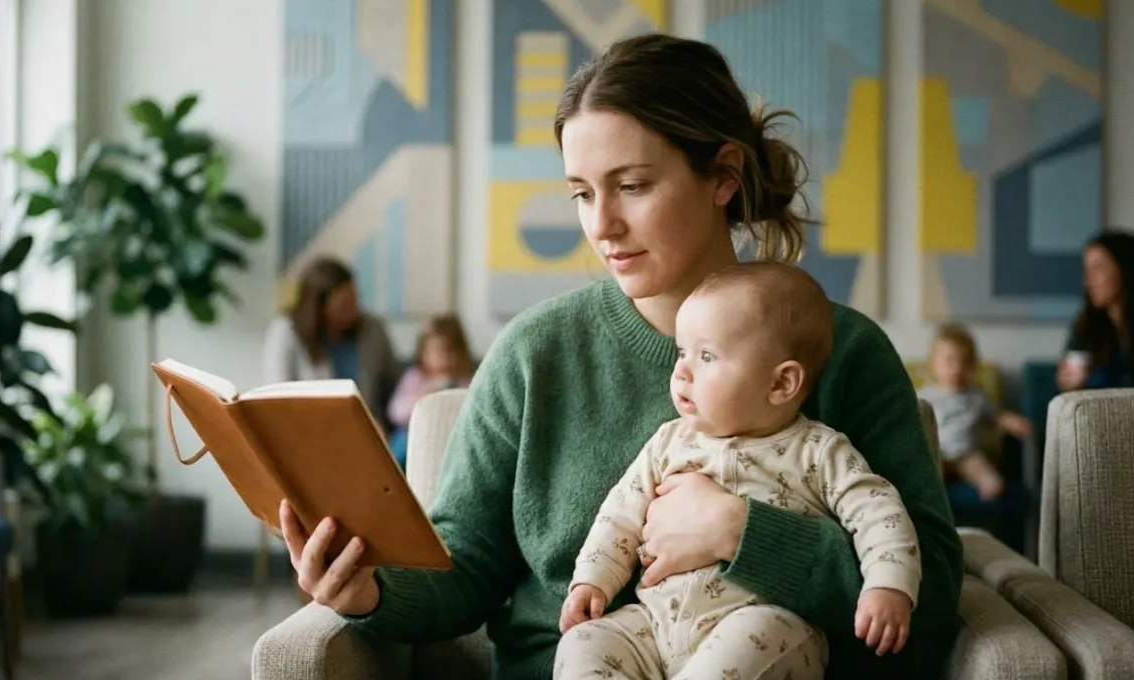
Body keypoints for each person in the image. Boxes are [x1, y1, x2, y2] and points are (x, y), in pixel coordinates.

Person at [278, 34, 962, 679]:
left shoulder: (843, 355)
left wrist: (739, 531)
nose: (600, 225)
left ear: (724, 175)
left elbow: (927, 601)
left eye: (632, 185)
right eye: (581, 192)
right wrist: (370, 591)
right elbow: (464, 570)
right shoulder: (533, 353)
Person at [557, 263, 921, 679]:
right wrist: (591, 581)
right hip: (654, 625)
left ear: (781, 384)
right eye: (682, 352)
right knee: (585, 643)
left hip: (764, 626)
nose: (681, 371)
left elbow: (880, 514)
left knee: (762, 636)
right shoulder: (668, 442)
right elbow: (619, 515)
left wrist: (887, 585)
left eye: (706, 356)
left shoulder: (819, 451)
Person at [261, 257, 401, 425]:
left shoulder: (373, 330)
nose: (354, 310)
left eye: (355, 300)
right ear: (319, 307)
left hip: (368, 429)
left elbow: (395, 387)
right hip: (308, 429)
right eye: (344, 304)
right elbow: (276, 398)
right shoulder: (285, 332)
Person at [918, 323, 1033, 502]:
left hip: (967, 454)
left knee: (988, 478)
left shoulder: (977, 396)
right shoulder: (925, 395)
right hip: (937, 453)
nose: (957, 368)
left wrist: (1011, 421)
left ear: (973, 365)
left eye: (964, 362)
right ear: (933, 363)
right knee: (929, 472)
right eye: (949, 360)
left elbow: (995, 417)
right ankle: (934, 499)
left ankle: (990, 490)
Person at [1057, 230, 1134, 392]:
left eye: (1098, 268)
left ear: (1126, 270)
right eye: (1086, 270)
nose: (1088, 280)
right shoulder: (1085, 328)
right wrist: (1068, 386)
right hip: (1097, 416)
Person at [386, 314, 476, 469]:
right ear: (424, 354)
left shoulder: (467, 382)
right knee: (400, 444)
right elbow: (395, 413)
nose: (444, 359)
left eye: (449, 352)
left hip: (451, 439)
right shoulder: (415, 378)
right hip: (415, 436)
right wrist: (421, 396)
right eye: (437, 352)